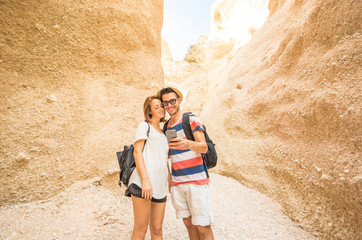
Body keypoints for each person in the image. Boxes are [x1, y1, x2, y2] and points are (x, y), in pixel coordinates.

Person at [157, 87, 214, 240]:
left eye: (172, 101)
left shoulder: (191, 119)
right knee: (188, 223)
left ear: (179, 100)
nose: (169, 105)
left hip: (197, 181)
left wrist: (188, 144)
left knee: (203, 226)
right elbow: (169, 154)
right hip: (178, 183)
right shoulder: (166, 127)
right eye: (165, 103)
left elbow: (204, 147)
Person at [125, 95, 170, 240]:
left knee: (157, 229)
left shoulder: (163, 133)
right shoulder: (144, 126)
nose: (161, 109)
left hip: (159, 185)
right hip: (143, 184)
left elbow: (163, 158)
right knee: (141, 229)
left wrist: (169, 179)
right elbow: (137, 152)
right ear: (149, 112)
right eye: (156, 107)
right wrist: (145, 180)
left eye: (161, 106)